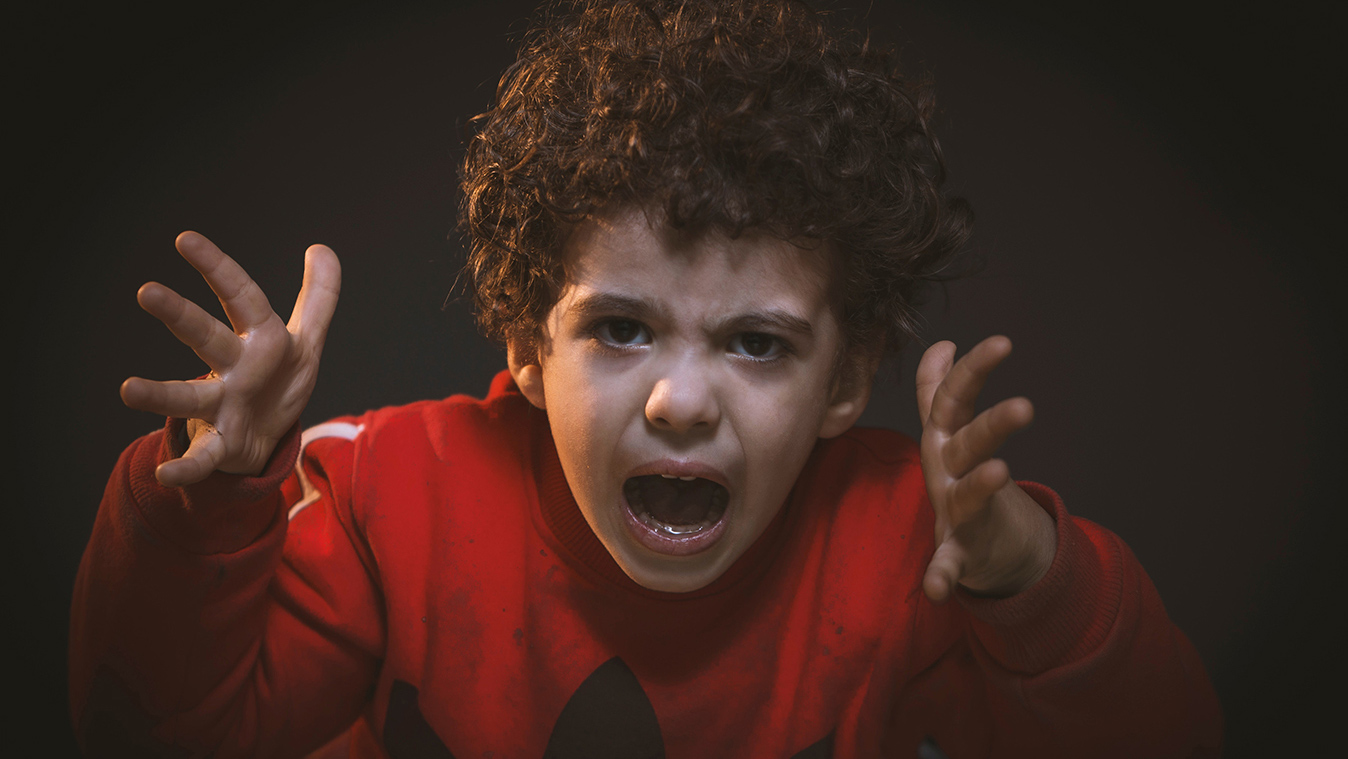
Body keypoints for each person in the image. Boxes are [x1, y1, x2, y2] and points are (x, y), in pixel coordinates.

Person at [69, 0, 1223, 756]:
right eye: (621, 329)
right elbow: (151, 728)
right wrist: (208, 499)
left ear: (840, 384)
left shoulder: (908, 546)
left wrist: (1028, 582)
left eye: (757, 344)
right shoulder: (379, 491)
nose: (679, 401)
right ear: (526, 346)